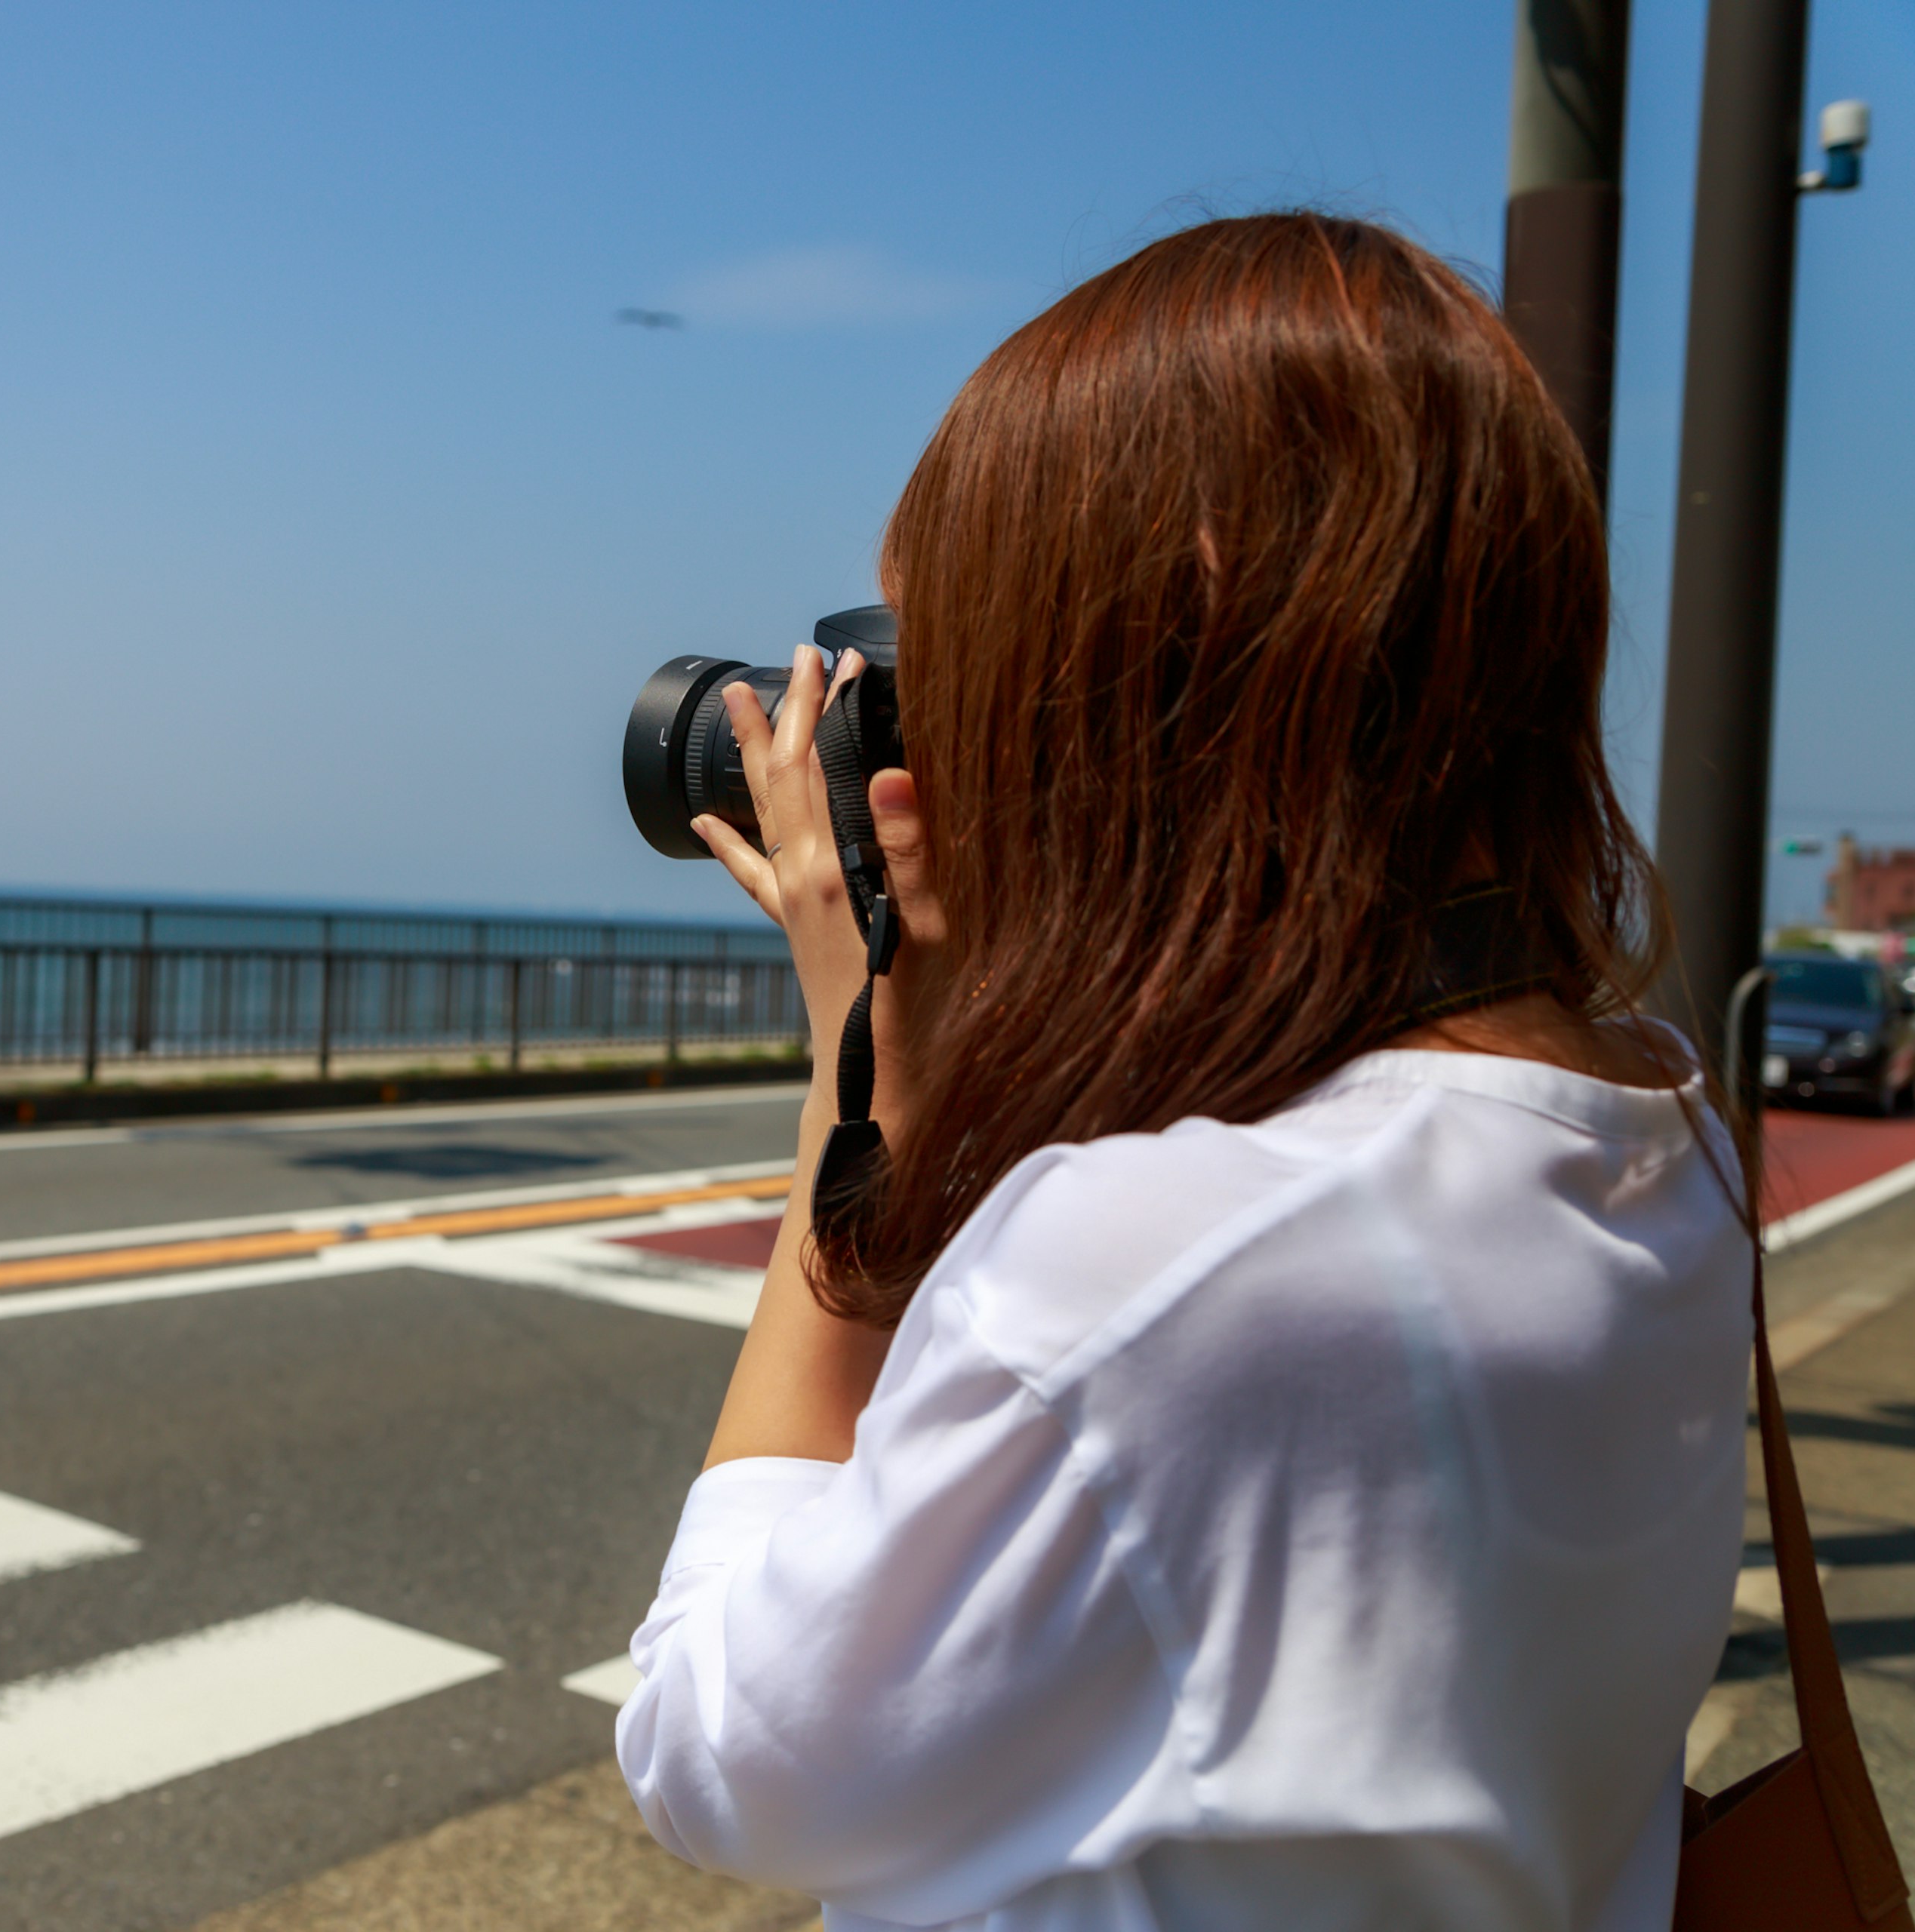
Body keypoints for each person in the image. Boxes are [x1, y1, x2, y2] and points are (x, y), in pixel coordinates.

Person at [613, 214, 1752, 1932]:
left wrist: (863, 1092)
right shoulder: (1657, 1135)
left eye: (964, 667)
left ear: (1158, 676)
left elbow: (718, 1754)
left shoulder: (1153, 1260)